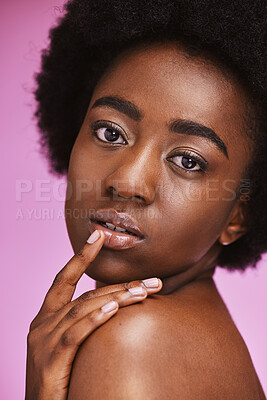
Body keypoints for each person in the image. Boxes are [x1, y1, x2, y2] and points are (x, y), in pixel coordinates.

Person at [26, 0, 266, 398]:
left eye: (187, 160)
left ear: (238, 215)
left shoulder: (130, 340)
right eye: (110, 133)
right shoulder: (199, 337)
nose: (126, 181)